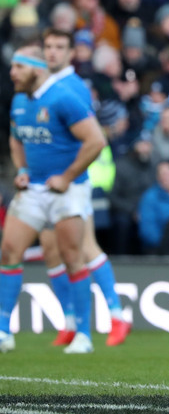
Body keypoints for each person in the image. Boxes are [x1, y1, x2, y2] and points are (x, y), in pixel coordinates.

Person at [1, 45, 106, 354]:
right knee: (8, 251)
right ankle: (4, 331)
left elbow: (96, 141)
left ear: (35, 69)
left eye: (18, 67)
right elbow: (15, 138)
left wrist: (68, 176)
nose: (12, 73)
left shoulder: (63, 99)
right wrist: (21, 168)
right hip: (32, 188)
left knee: (72, 255)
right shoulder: (19, 101)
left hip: (67, 190)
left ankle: (83, 335)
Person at [39, 28, 132, 347]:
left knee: (84, 247)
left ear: (71, 53)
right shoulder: (44, 85)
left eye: (58, 47)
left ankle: (117, 316)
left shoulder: (74, 87)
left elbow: (89, 137)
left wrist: (72, 174)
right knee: (51, 249)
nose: (52, 52)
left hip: (71, 180)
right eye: (47, 46)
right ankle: (68, 320)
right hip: (45, 182)